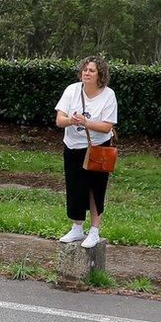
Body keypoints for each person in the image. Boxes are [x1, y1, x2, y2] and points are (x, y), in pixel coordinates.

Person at [53, 55, 118, 248]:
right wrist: (72, 121)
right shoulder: (72, 90)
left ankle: (94, 231)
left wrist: (86, 122)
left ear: (100, 75)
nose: (86, 73)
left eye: (91, 71)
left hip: (97, 148)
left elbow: (107, 126)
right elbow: (59, 120)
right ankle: (76, 227)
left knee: (95, 189)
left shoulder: (108, 95)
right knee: (74, 187)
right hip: (72, 145)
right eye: (85, 70)